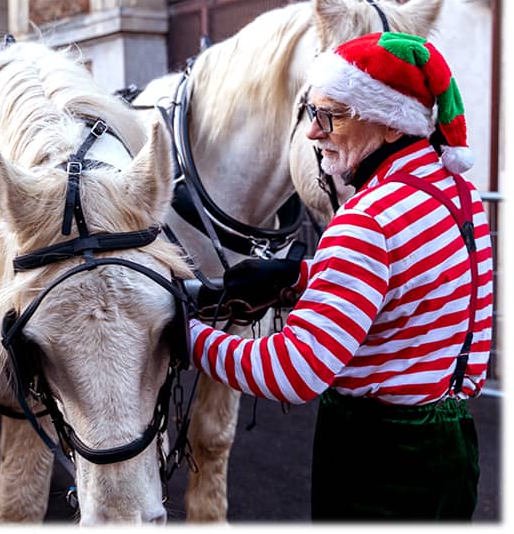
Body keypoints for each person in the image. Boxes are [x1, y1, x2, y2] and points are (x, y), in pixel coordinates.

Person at [189, 32, 493, 521]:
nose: (312, 132)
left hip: (378, 458)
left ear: (392, 126)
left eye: (329, 115)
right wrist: (305, 275)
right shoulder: (459, 194)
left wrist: (187, 337)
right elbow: (417, 290)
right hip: (451, 445)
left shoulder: (365, 220)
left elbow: (294, 372)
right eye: (311, 111)